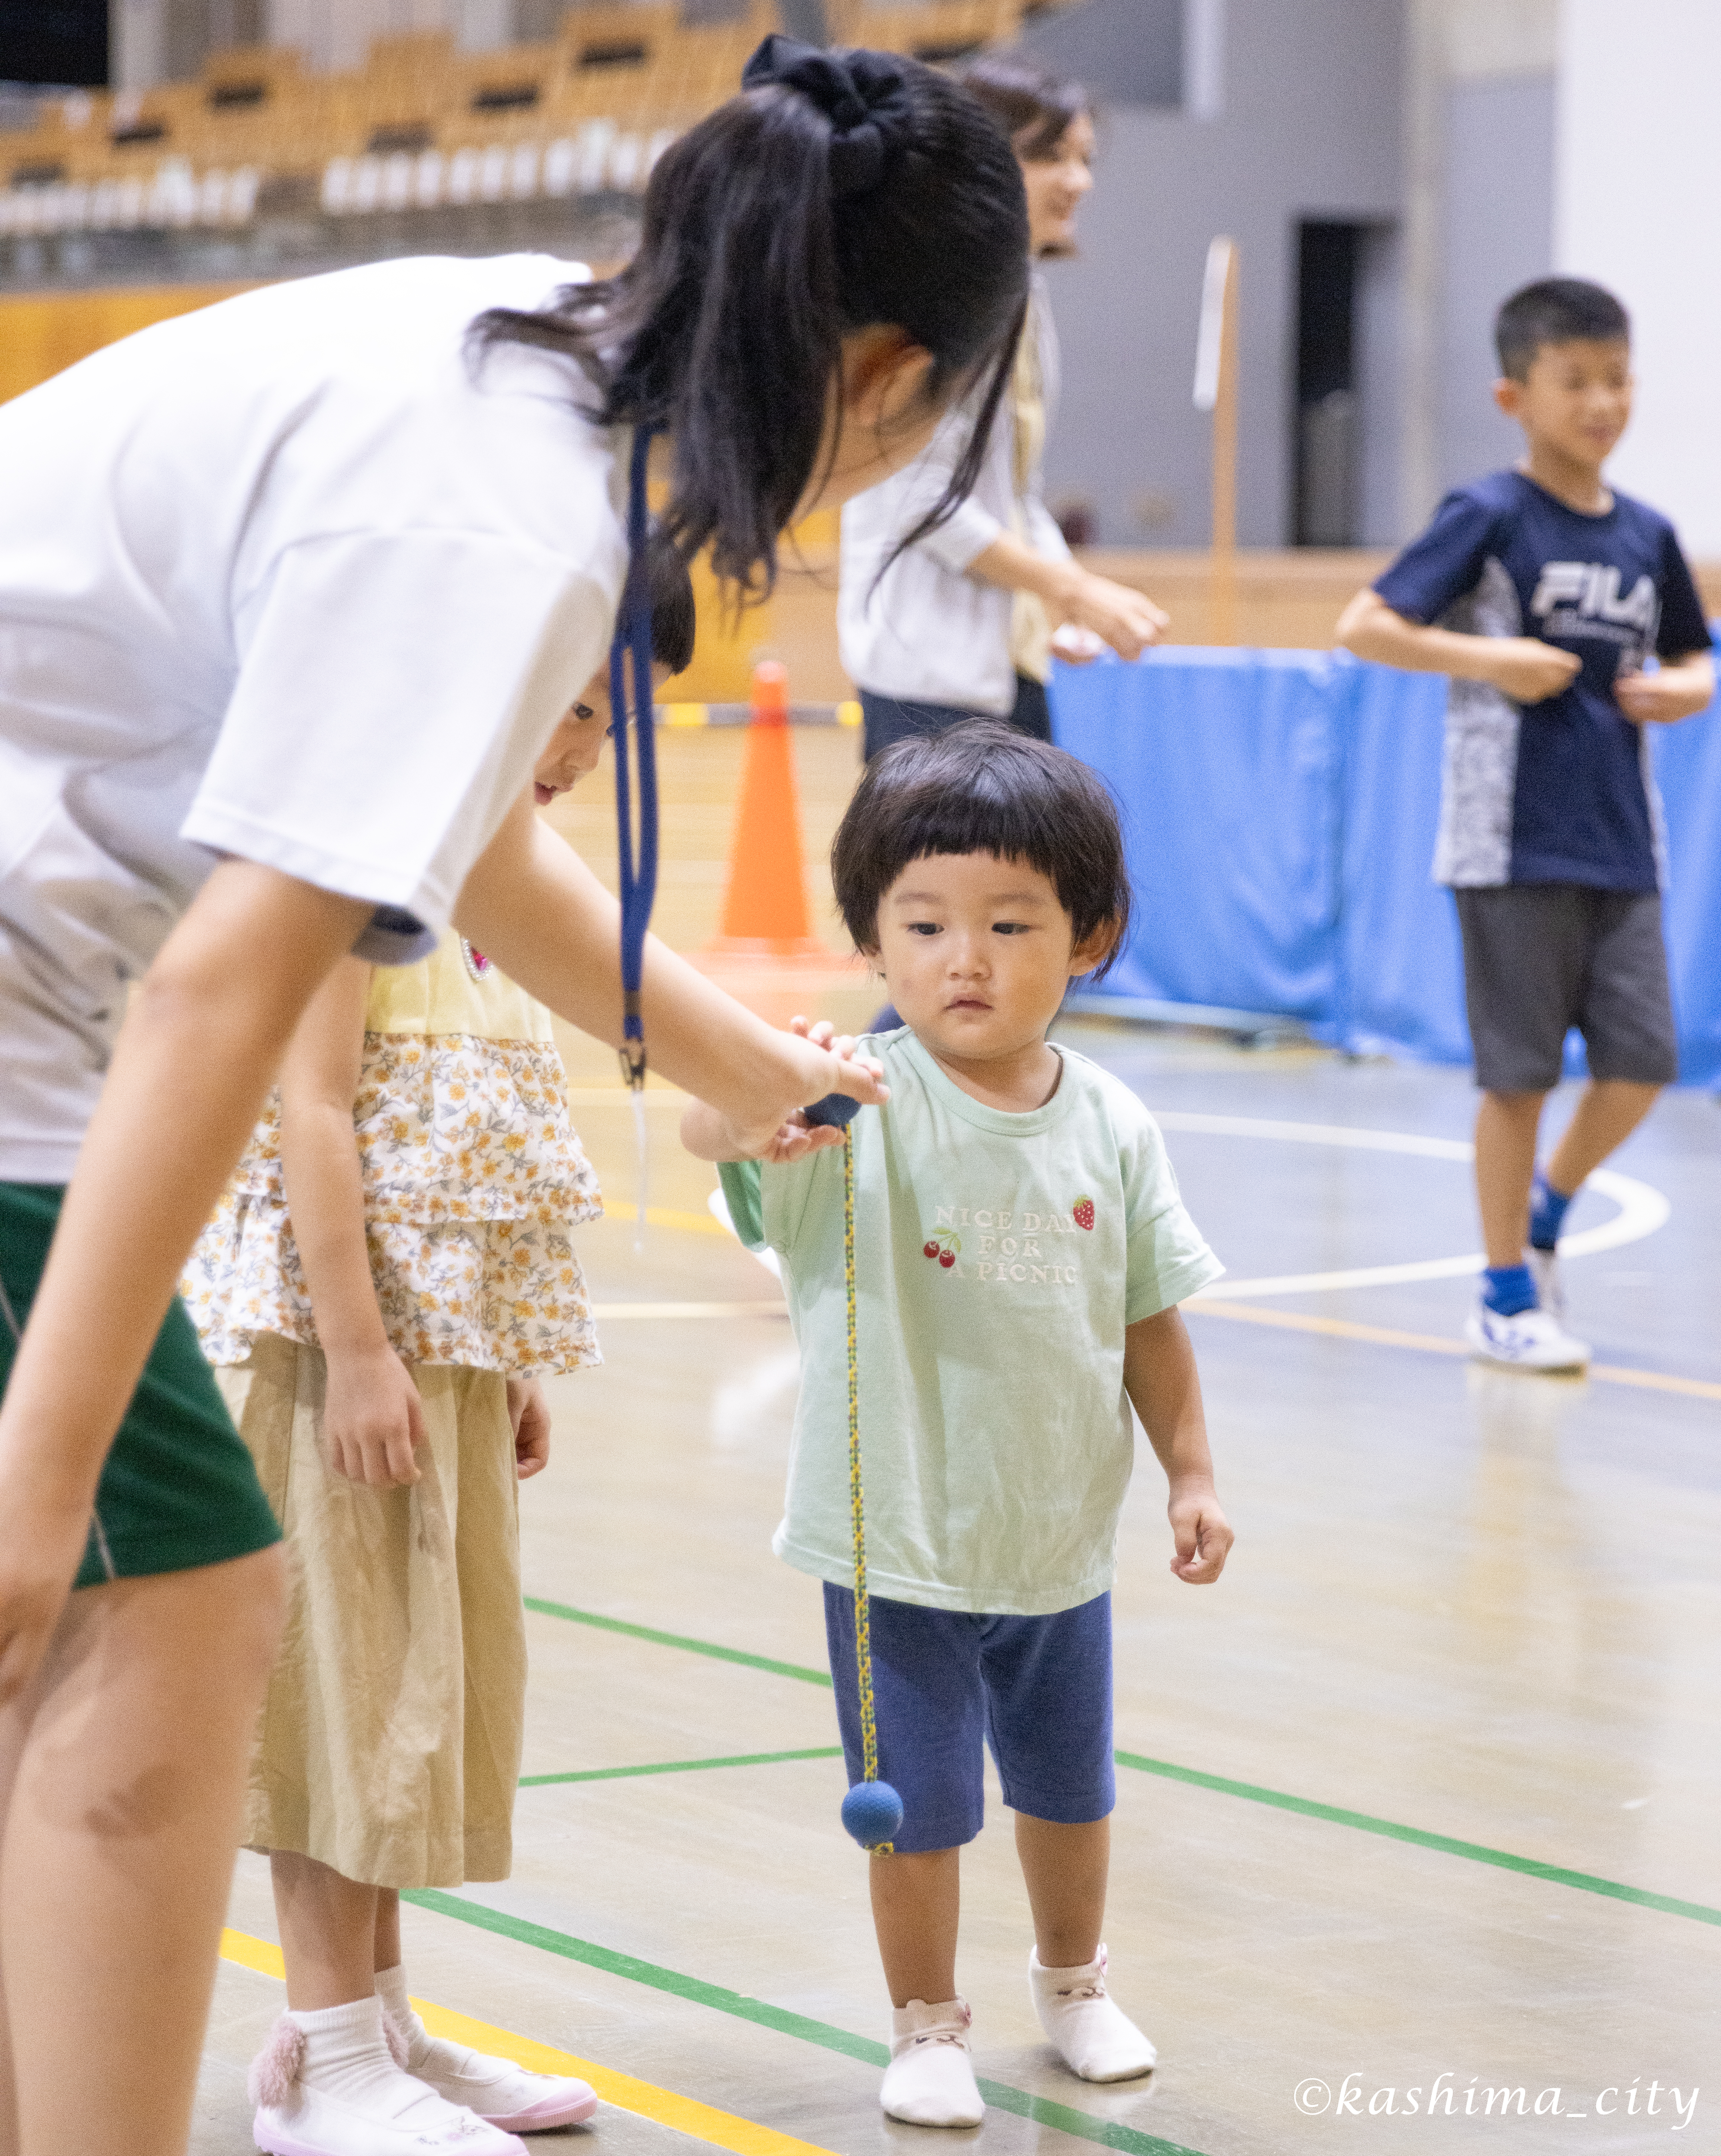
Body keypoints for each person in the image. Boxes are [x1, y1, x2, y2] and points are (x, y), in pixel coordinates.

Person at [0, 37, 1029, 2152]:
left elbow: (446, 822)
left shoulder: (510, 358)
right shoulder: (514, 506)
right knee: (163, 1589)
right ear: (896, 376)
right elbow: (219, 1000)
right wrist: (42, 1479)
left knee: (165, 1603)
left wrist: (731, 1060)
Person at [179, 567, 693, 2156]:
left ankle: (376, 2028)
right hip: (334, 1355)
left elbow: (466, 1160)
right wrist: (359, 1346)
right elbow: (312, 1111)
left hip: (436, 1356)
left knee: (413, 1677)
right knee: (342, 1680)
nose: (584, 748)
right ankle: (327, 2052)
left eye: (614, 722)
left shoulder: (492, 901)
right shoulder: (367, 869)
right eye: (571, 707)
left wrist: (499, 1354)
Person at [684, 724, 1233, 2128]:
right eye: (923, 924)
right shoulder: (850, 1098)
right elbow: (718, 1132)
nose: (964, 958)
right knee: (917, 1808)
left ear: (1091, 936)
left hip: (1057, 1535)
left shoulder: (1111, 1119)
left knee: (1071, 1788)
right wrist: (756, 1109)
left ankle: (1075, 1981)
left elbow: (1149, 1315)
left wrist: (1191, 1473)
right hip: (895, 1549)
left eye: (1010, 923)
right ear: (873, 937)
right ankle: (927, 2024)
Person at [1336, 277, 1715, 1374]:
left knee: (1645, 1060)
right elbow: (1367, 625)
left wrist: (1690, 688)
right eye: (1576, 381)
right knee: (1520, 1078)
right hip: (1506, 839)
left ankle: (1546, 1214)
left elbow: (1695, 653)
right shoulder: (1489, 516)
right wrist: (1490, 658)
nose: (1603, 402)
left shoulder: (1649, 533)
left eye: (1618, 379)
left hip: (1621, 838)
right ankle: (1504, 1294)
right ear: (1516, 393)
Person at [838, 54, 1168, 766]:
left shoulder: (1021, 295)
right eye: (1050, 157)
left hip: (1007, 671)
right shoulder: (926, 297)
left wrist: (1061, 598)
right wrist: (1072, 586)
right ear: (980, 162)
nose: (1078, 181)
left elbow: (1014, 493)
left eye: (1084, 158)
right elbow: (918, 496)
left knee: (1030, 873)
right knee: (933, 879)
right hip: (923, 673)